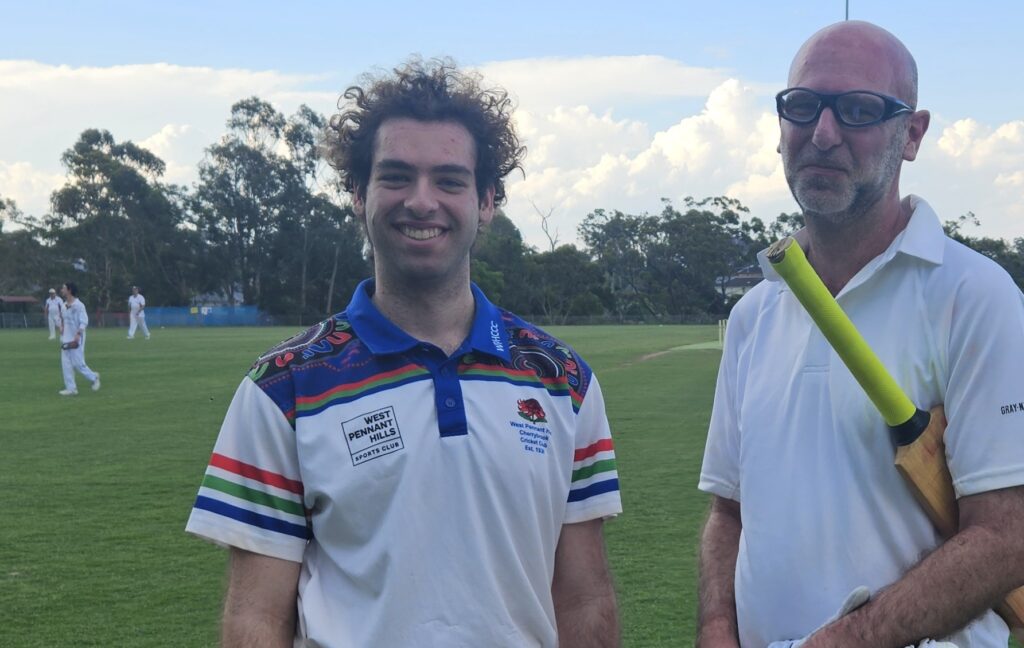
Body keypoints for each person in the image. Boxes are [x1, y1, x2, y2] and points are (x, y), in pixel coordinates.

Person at [185, 59, 622, 648]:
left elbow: (584, 600)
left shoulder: (561, 381)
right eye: (395, 177)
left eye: (449, 180)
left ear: (487, 200)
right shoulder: (282, 387)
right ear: (359, 194)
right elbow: (256, 619)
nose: (421, 202)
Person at [696, 21, 1024, 648]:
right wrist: (715, 629)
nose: (822, 134)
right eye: (803, 106)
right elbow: (728, 513)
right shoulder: (754, 314)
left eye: (857, 110)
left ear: (913, 135)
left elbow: (1006, 537)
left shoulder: (975, 297)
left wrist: (843, 641)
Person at [58, 282, 100, 396]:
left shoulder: (79, 305)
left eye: (64, 288)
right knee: (66, 364)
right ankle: (71, 389)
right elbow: (62, 318)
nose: (62, 290)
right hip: (65, 338)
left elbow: (84, 321)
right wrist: (61, 327)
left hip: (77, 337)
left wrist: (78, 333)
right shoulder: (63, 305)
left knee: (77, 363)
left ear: (69, 290)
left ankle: (94, 378)